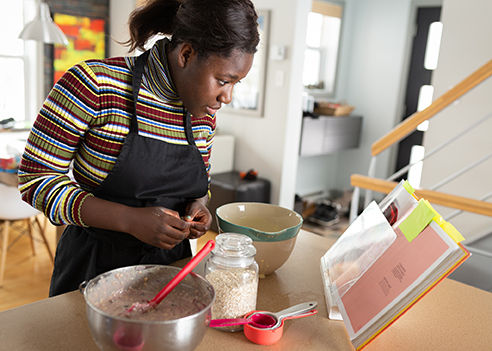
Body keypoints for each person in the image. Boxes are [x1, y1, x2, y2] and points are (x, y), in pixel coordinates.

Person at [18, 0, 260, 297]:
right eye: (223, 81)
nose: (227, 97)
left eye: (235, 84)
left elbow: (199, 183)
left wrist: (198, 207)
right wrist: (129, 220)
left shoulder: (203, 114)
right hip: (92, 271)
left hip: (171, 273)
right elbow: (35, 181)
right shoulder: (94, 85)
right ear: (186, 54)